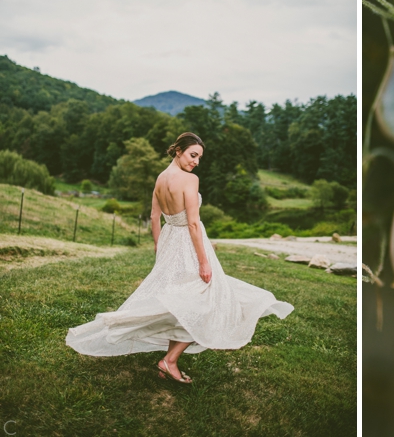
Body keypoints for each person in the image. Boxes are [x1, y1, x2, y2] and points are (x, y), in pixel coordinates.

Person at [66, 132, 294, 383]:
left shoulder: (161, 178)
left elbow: (155, 218)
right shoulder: (189, 180)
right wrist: (204, 261)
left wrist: (159, 247)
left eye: (199, 158)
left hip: (170, 240)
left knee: (184, 300)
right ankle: (169, 360)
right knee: (206, 301)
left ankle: (169, 358)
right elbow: (193, 224)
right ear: (178, 151)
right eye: (193, 155)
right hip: (188, 243)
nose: (196, 162)